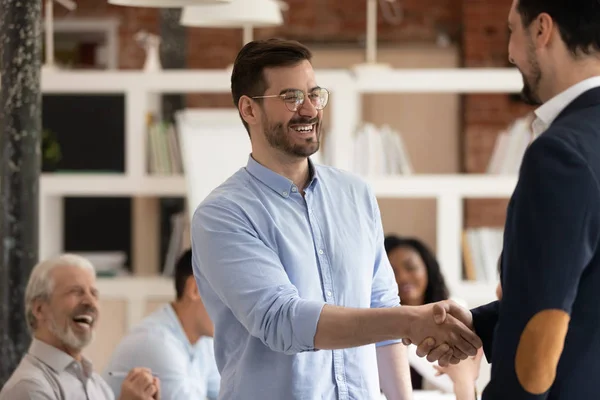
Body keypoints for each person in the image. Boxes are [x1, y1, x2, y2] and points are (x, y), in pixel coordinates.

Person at [190, 37, 482, 400]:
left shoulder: (354, 194)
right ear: (249, 109)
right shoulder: (222, 215)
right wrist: (410, 320)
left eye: (315, 94)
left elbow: (382, 308)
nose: (309, 109)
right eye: (291, 97)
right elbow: (282, 322)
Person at [409, 0, 600, 398]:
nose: (510, 51)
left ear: (542, 30)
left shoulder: (560, 153)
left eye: (512, 30)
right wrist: (476, 325)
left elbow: (540, 330)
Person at [0, 254, 160, 400]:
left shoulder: (98, 385)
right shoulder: (28, 387)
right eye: (76, 292)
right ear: (40, 309)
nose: (90, 302)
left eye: (94, 294)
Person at [103, 249, 220, 400]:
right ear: (195, 289)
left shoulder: (203, 341)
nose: (235, 309)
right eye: (226, 294)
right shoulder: (156, 343)